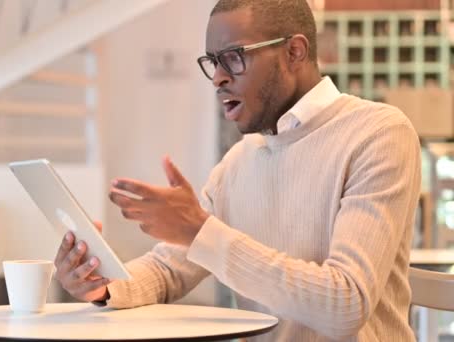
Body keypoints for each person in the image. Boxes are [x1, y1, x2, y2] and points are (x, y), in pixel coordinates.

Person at [54, 0, 420, 340]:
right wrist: (103, 284)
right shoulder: (240, 160)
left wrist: (200, 231)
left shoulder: (377, 133)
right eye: (213, 61)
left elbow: (345, 304)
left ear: (295, 51)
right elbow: (168, 270)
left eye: (233, 57)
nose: (217, 78)